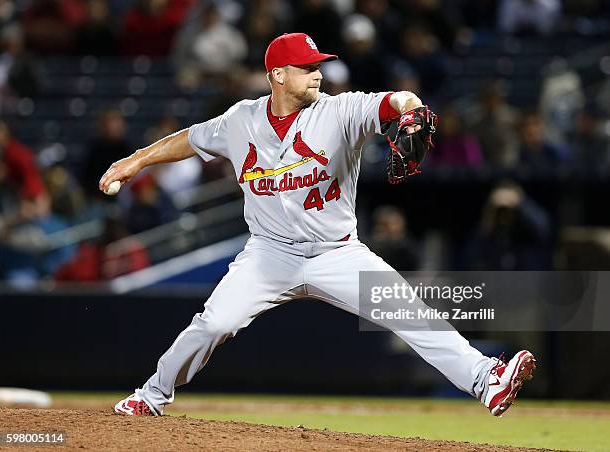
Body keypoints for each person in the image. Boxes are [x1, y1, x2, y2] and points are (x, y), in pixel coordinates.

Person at [101, 33, 535, 418]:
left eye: (318, 66)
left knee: (408, 312)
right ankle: (151, 395)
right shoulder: (240, 121)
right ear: (277, 75)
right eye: (306, 67)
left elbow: (397, 100)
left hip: (338, 253)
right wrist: (135, 160)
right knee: (212, 325)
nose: (317, 74)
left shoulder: (340, 111)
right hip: (269, 253)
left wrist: (412, 109)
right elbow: (190, 139)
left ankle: (485, 380)